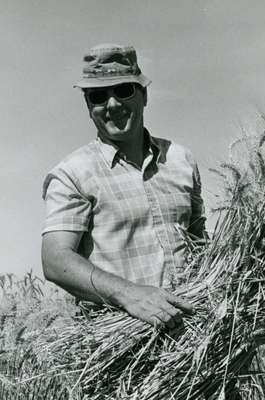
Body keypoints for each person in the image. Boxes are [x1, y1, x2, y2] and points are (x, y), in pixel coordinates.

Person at [41, 43, 207, 330]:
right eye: (98, 96)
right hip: (123, 346)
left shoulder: (181, 159)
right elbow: (56, 260)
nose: (113, 104)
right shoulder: (72, 173)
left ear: (144, 94)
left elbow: (198, 240)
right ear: (88, 106)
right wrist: (129, 295)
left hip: (193, 334)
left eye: (123, 90)